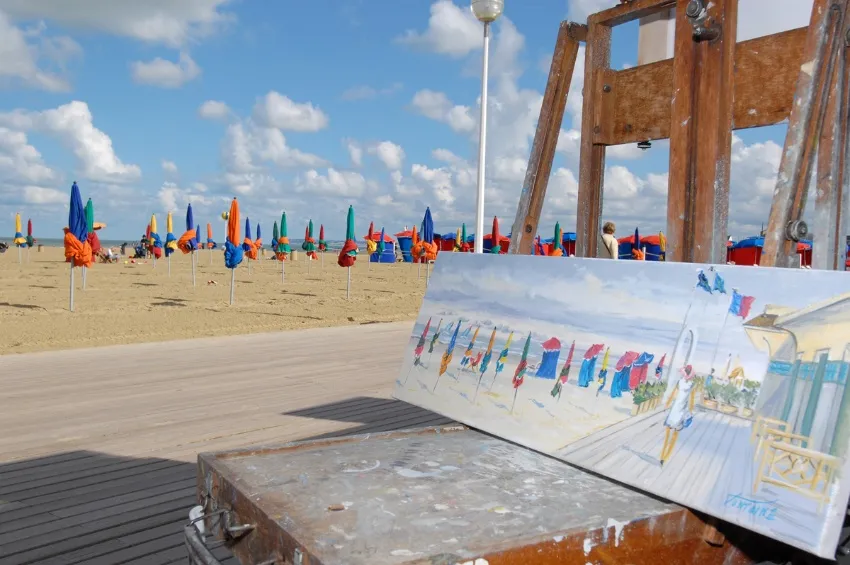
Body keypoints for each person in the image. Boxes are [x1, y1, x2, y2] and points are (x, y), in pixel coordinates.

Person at [659, 365, 697, 466]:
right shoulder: (692, 385)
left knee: (668, 434)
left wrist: (667, 404)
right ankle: (665, 457)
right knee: (674, 436)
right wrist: (691, 412)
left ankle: (663, 456)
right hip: (681, 411)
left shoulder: (680, 382)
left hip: (675, 410)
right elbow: (692, 400)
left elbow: (673, 394)